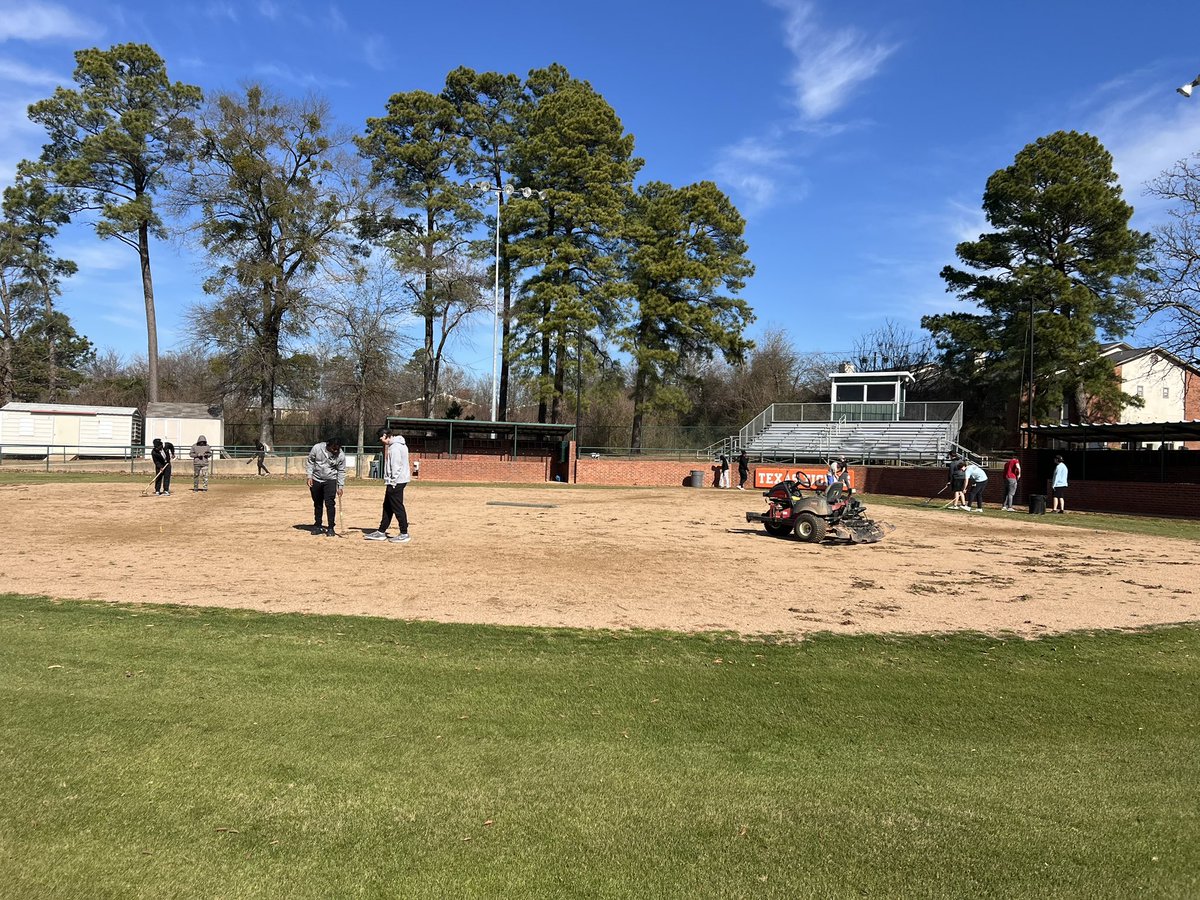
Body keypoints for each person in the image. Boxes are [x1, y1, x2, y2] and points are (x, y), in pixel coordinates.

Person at [363, 427, 411, 543]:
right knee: (387, 506)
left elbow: (396, 466)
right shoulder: (400, 445)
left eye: (381, 439)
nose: (381, 442)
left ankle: (404, 533)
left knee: (397, 507)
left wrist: (393, 481)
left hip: (396, 482)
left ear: (385, 436)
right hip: (397, 480)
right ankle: (381, 531)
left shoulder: (394, 448)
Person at [306, 439, 346, 536]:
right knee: (318, 503)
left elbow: (341, 470)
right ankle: (318, 525)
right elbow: (310, 461)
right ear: (328, 446)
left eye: (338, 449)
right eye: (334, 449)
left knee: (330, 503)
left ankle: (331, 527)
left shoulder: (341, 455)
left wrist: (340, 486)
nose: (336, 451)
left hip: (330, 480)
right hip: (316, 479)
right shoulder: (317, 448)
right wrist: (309, 476)